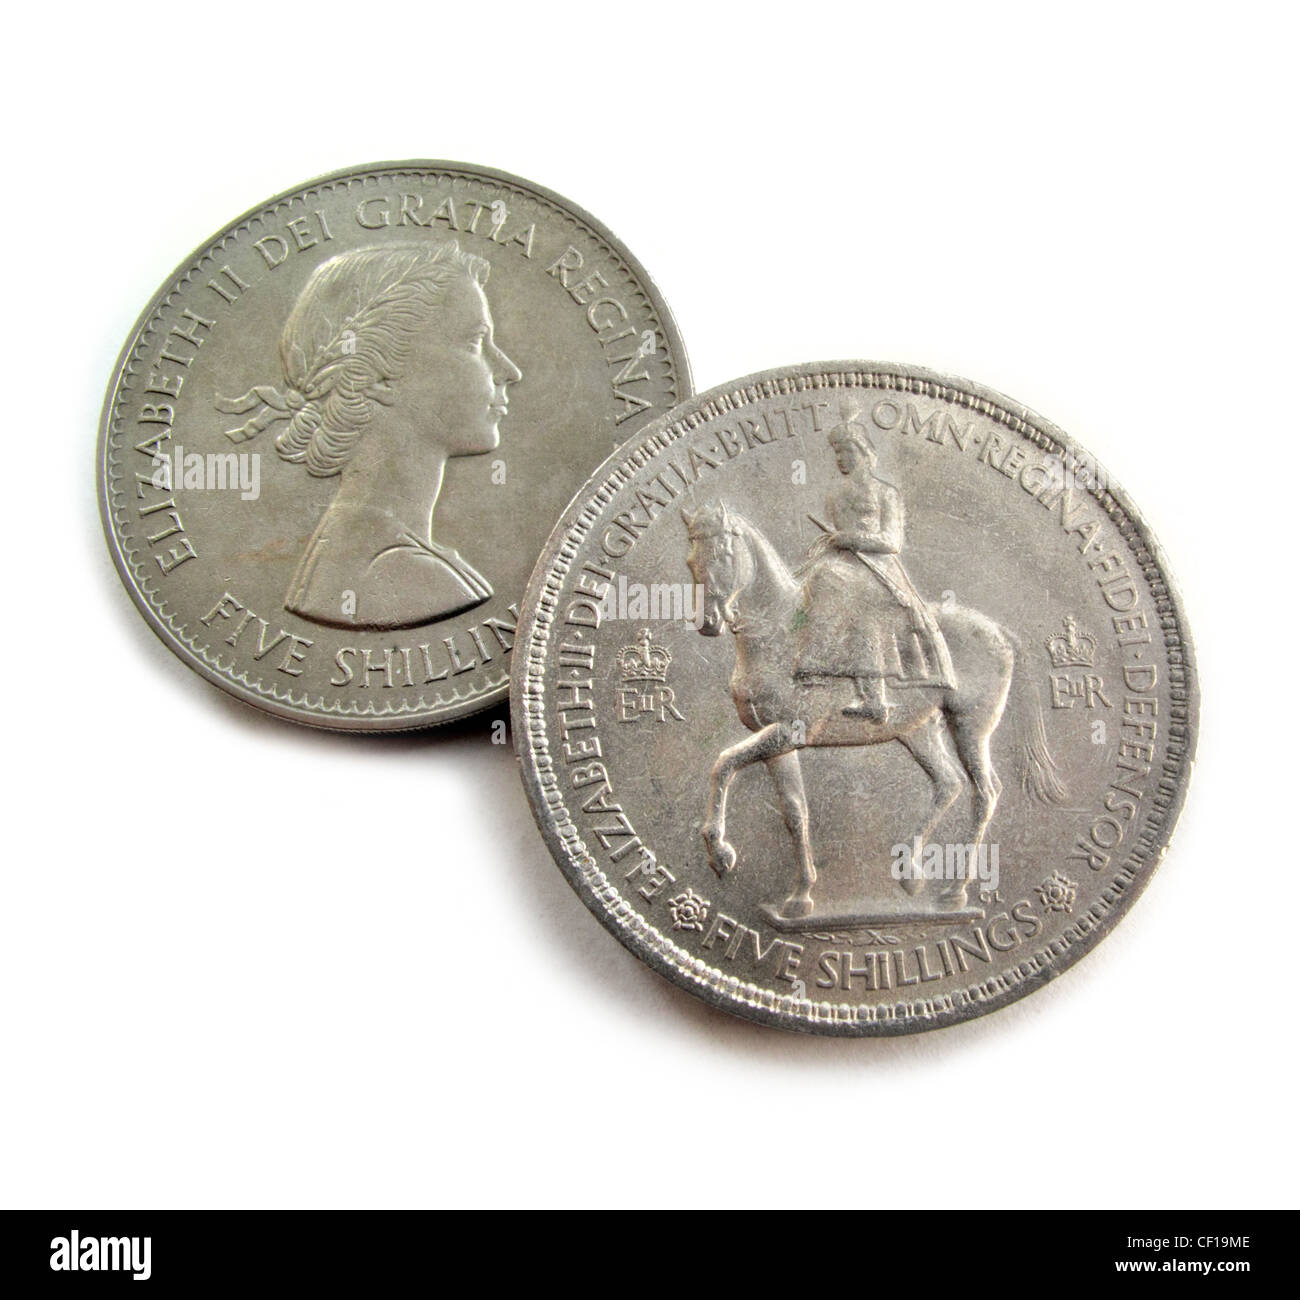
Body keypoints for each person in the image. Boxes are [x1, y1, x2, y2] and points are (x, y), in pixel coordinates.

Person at [217, 240, 521, 630]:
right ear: (377, 374)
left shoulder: (356, 545)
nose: (509, 371)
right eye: (474, 341)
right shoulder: (397, 570)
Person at [795, 417, 954, 721]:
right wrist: (831, 544)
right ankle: (816, 668)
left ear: (864, 452)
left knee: (859, 604)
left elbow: (892, 541)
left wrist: (852, 538)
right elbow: (834, 539)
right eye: (837, 453)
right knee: (818, 581)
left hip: (879, 568)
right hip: (843, 566)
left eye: (847, 452)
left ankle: (874, 698)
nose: (841, 459)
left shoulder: (886, 493)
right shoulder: (835, 495)